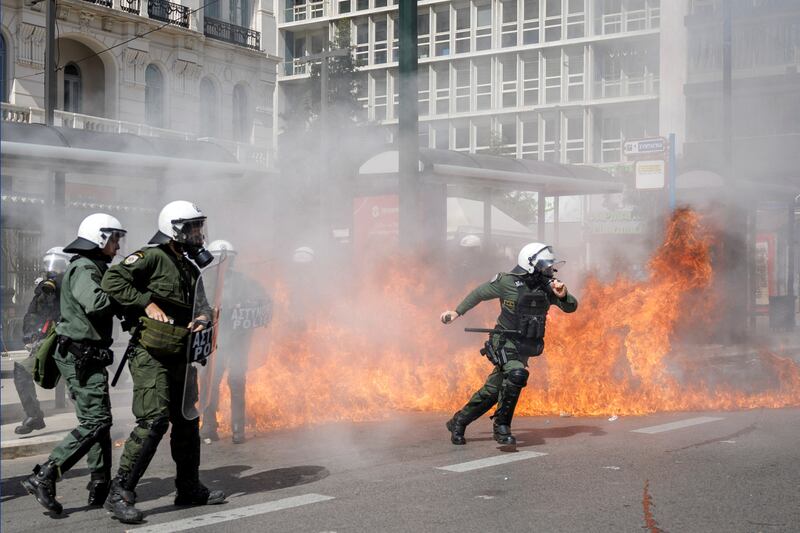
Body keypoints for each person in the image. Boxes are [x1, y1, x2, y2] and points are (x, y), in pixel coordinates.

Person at [101, 200, 225, 524]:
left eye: (200, 226)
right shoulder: (152, 256)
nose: (198, 233)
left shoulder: (190, 267)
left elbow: (204, 305)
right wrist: (146, 303)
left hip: (181, 355)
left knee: (186, 422)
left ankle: (189, 488)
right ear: (174, 228)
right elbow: (112, 281)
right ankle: (119, 493)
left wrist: (201, 318)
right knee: (154, 420)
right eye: (192, 226)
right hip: (151, 353)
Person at [22, 214, 127, 515]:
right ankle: (45, 475)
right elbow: (97, 303)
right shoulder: (83, 268)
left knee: (97, 424)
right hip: (82, 357)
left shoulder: (92, 267)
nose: (117, 245)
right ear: (99, 238)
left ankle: (100, 484)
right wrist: (126, 291)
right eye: (114, 238)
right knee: (97, 422)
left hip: (84, 355)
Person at [440, 242, 578, 446]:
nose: (550, 270)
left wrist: (563, 295)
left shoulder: (547, 288)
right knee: (517, 374)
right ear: (530, 265)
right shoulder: (507, 282)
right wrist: (457, 312)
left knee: (493, 390)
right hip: (503, 340)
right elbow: (479, 293)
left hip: (524, 347)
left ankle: (459, 421)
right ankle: (501, 428)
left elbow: (571, 307)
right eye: (545, 265)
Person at [200, 240, 272, 444]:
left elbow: (264, 301)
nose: (225, 263)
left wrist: (248, 306)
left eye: (228, 259)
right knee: (211, 381)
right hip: (214, 340)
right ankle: (209, 426)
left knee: (237, 380)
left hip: (239, 338)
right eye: (221, 259)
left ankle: (238, 429)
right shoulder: (203, 281)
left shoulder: (244, 281)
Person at [14, 247, 71, 435]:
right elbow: (32, 314)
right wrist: (31, 334)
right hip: (48, 340)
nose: (52, 269)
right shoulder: (44, 289)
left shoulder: (73, 285)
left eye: (57, 264)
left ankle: (95, 421)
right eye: (49, 264)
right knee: (22, 371)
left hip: (70, 341)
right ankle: (34, 415)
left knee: (77, 387)